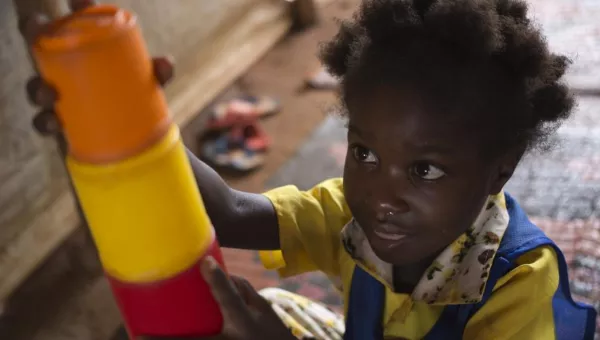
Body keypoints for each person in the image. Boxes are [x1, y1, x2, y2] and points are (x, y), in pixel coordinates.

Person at [25, 0, 597, 339]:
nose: (380, 195)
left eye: (424, 170)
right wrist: (119, 120)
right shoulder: (351, 219)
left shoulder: (520, 285)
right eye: (365, 154)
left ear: (501, 171)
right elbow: (227, 213)